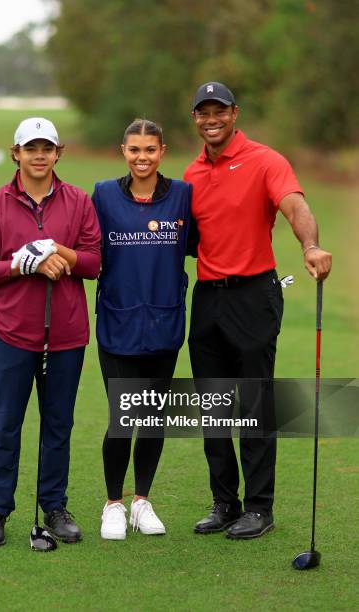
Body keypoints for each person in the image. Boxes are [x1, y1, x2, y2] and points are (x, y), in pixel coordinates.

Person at [184, 82, 332, 539]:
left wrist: (310, 245)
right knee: (212, 407)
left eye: (219, 111)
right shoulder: (190, 174)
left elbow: (295, 206)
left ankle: (259, 507)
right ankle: (225, 502)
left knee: (252, 401)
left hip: (253, 295)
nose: (211, 119)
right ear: (195, 119)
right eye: (203, 112)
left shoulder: (266, 160)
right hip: (208, 297)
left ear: (234, 114)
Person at [0, 117, 101, 547]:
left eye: (47, 148)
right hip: (13, 335)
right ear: (16, 153)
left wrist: (59, 254)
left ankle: (55, 506)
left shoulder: (79, 202)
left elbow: (94, 263)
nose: (39, 155)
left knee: (58, 425)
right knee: (5, 426)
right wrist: (21, 263)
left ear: (58, 153)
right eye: (31, 148)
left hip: (66, 336)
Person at [92, 119, 192, 539]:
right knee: (122, 417)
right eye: (134, 149)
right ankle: (113, 503)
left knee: (151, 418)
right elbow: (85, 247)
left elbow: (203, 245)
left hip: (164, 323)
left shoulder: (183, 196)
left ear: (162, 151)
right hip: (117, 322)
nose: (142, 157)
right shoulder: (103, 195)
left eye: (150, 149)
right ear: (123, 151)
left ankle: (141, 501)